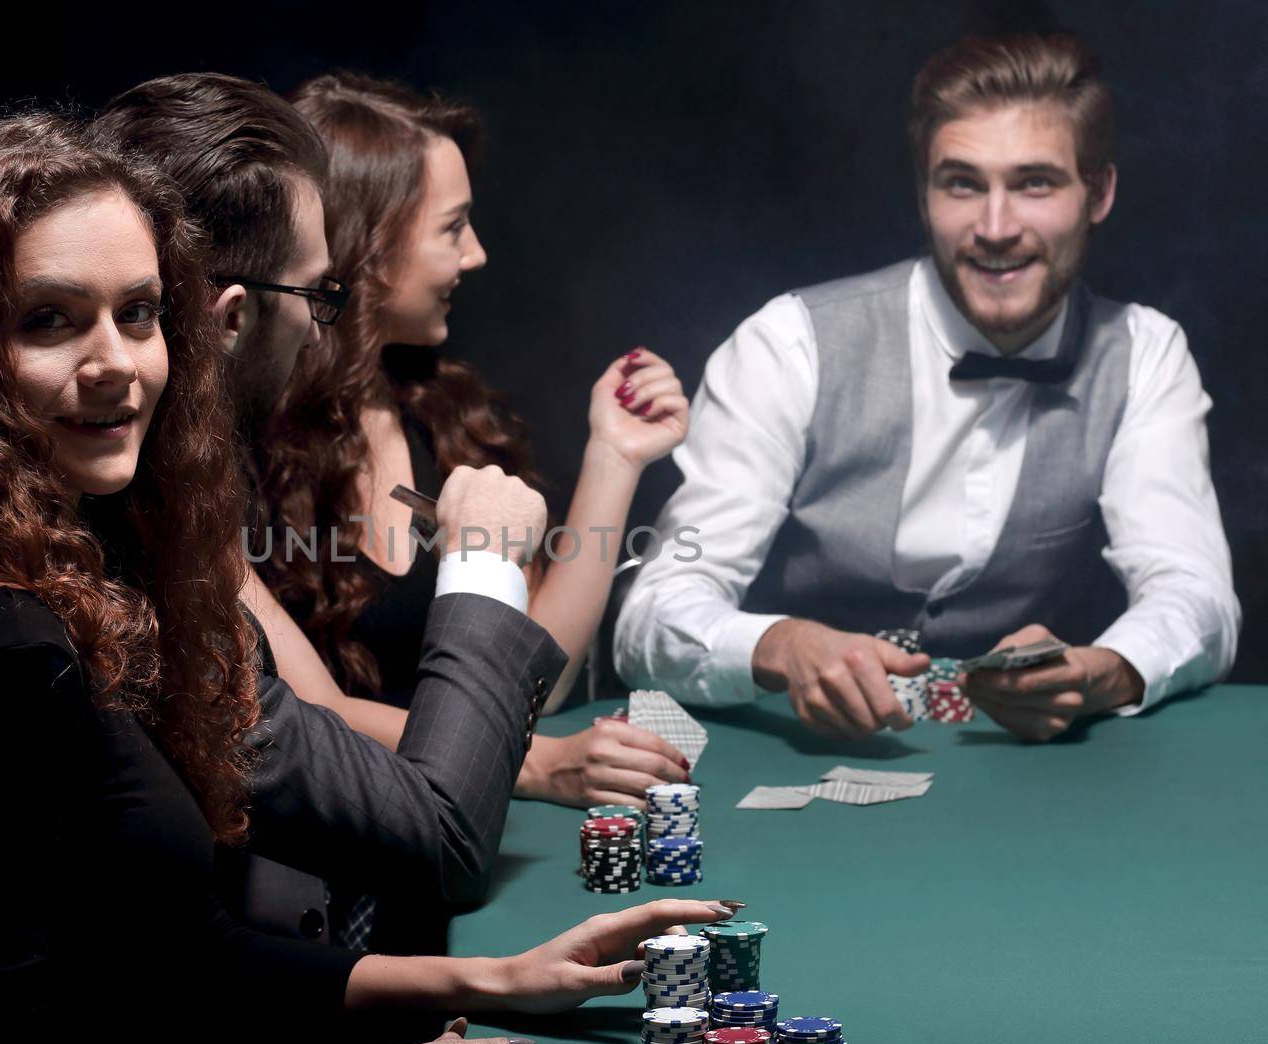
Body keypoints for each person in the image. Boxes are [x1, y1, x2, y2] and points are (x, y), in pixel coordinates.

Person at [0, 111, 740, 1044]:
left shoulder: (12, 579)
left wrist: (487, 977)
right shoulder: (10, 649)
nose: (118, 363)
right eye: (49, 320)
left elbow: (157, 955)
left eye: (140, 314)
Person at [615, 31, 1239, 744]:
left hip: (1021, 773)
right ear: (923, 194)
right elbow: (650, 615)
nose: (996, 228)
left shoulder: (1146, 356)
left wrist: (1105, 670)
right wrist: (779, 647)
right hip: (781, 750)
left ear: (1097, 193)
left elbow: (1196, 596)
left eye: (1034, 182)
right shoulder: (788, 345)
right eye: (963, 184)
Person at [92, 75, 567, 968]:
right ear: (232, 316)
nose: (321, 335)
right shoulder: (122, 583)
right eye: (315, 296)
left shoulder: (151, 524)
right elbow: (443, 836)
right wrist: (485, 566)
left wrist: (456, 988)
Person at [233, 71, 695, 815]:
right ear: (365, 243)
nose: (476, 254)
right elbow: (307, 714)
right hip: (323, 856)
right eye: (452, 227)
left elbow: (533, 679)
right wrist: (537, 766)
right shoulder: (234, 445)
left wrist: (616, 456)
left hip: (453, 821)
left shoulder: (439, 411)